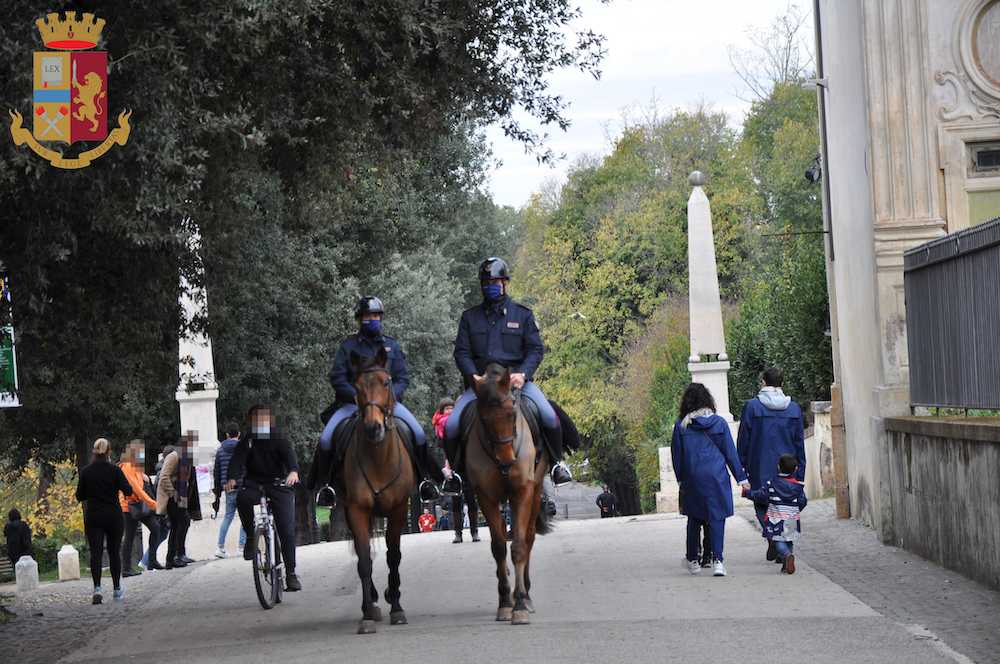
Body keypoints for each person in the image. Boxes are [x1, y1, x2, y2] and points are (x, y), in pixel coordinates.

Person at [445, 257, 573, 488]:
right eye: (486, 282)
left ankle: (557, 464)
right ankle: (456, 476)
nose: (490, 286)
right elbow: (461, 352)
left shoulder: (522, 314)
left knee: (548, 415)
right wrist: (473, 376)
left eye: (495, 281)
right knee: (452, 424)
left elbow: (535, 349)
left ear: (505, 283)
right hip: (482, 387)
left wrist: (522, 374)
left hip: (515, 382)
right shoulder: (469, 317)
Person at [318, 296, 442, 502]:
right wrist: (356, 396)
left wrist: (391, 397)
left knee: (418, 434)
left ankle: (424, 481)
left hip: (388, 404)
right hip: (352, 405)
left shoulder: (392, 346)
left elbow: (403, 378)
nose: (373, 319)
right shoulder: (348, 347)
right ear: (360, 319)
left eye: (376, 315)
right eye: (368, 316)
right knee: (325, 439)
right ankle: (326, 487)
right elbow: (337, 377)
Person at [671, 383, 749, 578]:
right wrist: (741, 478)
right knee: (717, 518)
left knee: (694, 518)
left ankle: (693, 560)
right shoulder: (719, 423)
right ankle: (718, 561)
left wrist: (681, 478)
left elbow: (677, 456)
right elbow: (730, 453)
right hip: (717, 476)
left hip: (693, 476)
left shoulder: (681, 425)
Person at [226, 405, 302, 592]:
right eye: (256, 420)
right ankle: (251, 536)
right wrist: (232, 478)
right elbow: (237, 459)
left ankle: (291, 574)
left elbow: (289, 456)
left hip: (278, 484)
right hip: (255, 485)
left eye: (264, 419)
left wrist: (293, 471)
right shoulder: (248, 439)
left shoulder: (279, 438)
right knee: (242, 498)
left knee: (286, 529)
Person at [736, 367, 806, 563]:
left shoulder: (752, 407)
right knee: (788, 506)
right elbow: (799, 443)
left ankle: (776, 543)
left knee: (761, 504)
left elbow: (743, 440)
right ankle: (784, 546)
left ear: (763, 382)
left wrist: (741, 470)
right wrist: (800, 472)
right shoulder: (793, 409)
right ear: (782, 383)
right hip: (788, 467)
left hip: (759, 465)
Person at [76, 438, 132, 603]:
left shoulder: (86, 471)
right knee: (114, 552)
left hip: (93, 516)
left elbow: (80, 496)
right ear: (108, 452)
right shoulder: (115, 470)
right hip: (113, 516)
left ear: (94, 452)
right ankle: (116, 589)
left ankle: (97, 588)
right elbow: (128, 490)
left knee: (96, 553)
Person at [742, 454, 808, 574]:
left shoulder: (772, 483)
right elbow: (803, 501)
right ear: (796, 469)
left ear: (778, 467)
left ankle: (787, 556)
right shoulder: (798, 487)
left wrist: (747, 493)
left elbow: (760, 495)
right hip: (792, 518)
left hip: (776, 519)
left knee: (778, 542)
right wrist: (796, 511)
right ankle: (786, 563)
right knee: (789, 541)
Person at [118, 440, 163, 576]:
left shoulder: (136, 466)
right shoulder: (127, 466)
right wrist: (152, 503)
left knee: (155, 529)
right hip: (129, 506)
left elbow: (141, 485)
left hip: (139, 504)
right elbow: (135, 488)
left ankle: (152, 560)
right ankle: (126, 568)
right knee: (130, 536)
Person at [156, 439, 192, 569]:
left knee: (180, 525)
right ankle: (174, 557)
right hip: (172, 497)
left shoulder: (184, 458)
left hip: (179, 496)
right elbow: (164, 476)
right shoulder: (174, 457)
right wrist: (173, 493)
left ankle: (172, 558)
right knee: (179, 524)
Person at [212, 421, 246, 559]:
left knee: (228, 517)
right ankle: (241, 547)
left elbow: (217, 472)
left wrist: (218, 490)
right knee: (245, 517)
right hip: (242, 486)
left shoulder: (220, 450)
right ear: (238, 434)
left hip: (228, 488)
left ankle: (220, 547)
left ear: (226, 435)